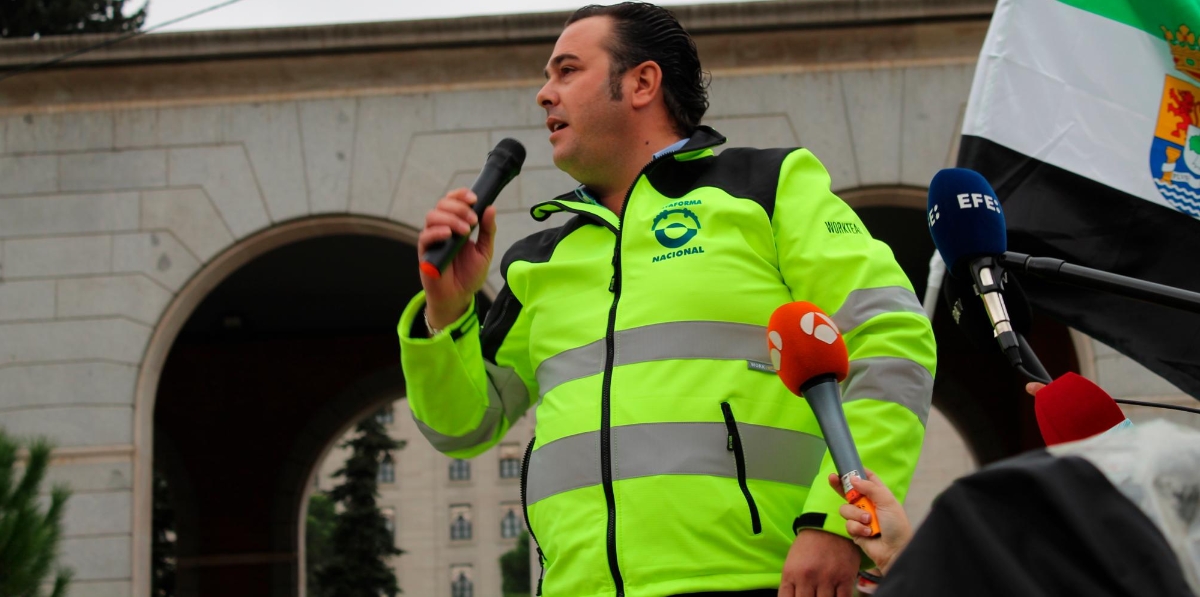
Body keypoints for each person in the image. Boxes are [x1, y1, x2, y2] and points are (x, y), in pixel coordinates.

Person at [397, 3, 937, 596]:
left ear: (642, 82)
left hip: (764, 581)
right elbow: (462, 426)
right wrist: (445, 309)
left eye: (567, 70)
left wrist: (837, 524)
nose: (543, 94)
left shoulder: (768, 190)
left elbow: (892, 341)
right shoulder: (538, 260)